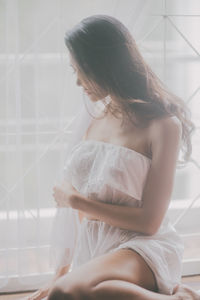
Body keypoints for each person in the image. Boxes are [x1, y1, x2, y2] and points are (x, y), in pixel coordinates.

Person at [25, 14, 200, 300]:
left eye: (83, 70)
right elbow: (78, 216)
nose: (79, 82)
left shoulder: (163, 125)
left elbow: (149, 222)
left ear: (106, 67)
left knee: (66, 293)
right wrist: (61, 271)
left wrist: (75, 201)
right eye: (74, 71)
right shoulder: (93, 118)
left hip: (142, 246)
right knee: (80, 290)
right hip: (95, 246)